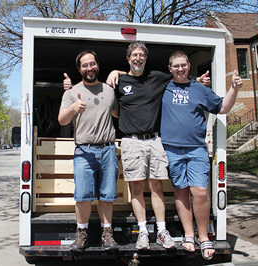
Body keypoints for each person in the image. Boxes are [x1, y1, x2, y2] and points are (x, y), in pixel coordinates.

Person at [105, 42, 210, 250]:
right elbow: (113, 110)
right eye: (134, 55)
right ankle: (142, 231)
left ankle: (162, 231)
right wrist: (113, 72)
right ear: (128, 59)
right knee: (136, 187)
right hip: (131, 141)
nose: (138, 58)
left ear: (146, 58)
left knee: (156, 186)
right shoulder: (119, 81)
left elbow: (180, 79)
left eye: (141, 55)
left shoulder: (157, 77)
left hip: (155, 140)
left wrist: (197, 81)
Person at [161, 50, 242, 260]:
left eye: (183, 65)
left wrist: (234, 89)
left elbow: (222, 107)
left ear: (188, 65)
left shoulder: (200, 89)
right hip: (171, 148)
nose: (180, 69)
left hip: (196, 148)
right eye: (175, 66)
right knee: (181, 192)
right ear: (170, 68)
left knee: (200, 192)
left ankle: (203, 236)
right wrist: (115, 71)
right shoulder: (163, 87)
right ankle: (189, 235)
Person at [58, 50, 119, 252]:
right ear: (79, 69)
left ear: (97, 66)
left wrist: (118, 71)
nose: (89, 68)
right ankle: (81, 234)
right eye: (85, 65)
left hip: (108, 149)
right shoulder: (70, 93)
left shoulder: (109, 90)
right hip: (84, 151)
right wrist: (73, 108)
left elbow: (117, 112)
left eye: (92, 64)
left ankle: (107, 234)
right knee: (83, 195)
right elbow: (62, 120)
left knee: (107, 195)